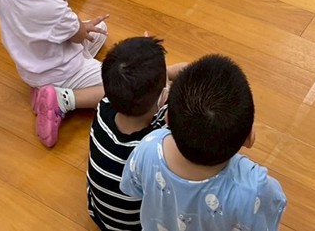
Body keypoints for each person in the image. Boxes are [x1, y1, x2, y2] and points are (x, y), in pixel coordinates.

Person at [120, 55, 287, 231]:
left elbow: (134, 188)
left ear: (167, 119)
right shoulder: (256, 188)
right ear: (249, 138)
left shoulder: (148, 147)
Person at [0, 0, 110, 148]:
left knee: (101, 30)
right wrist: (77, 23)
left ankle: (42, 89)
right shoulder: (51, 7)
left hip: (32, 63)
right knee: (122, 87)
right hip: (61, 70)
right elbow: (78, 35)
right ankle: (63, 99)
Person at [86, 36, 186, 231]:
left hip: (99, 215)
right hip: (137, 226)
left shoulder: (103, 107)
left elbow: (143, 92)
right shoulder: (159, 141)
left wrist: (158, 78)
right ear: (163, 97)